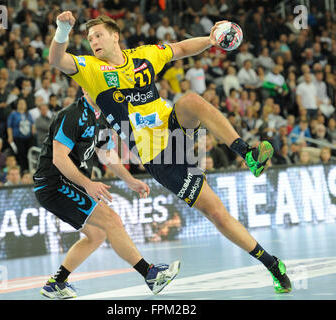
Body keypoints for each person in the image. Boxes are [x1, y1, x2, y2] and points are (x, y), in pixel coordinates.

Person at [49, 12, 291, 293]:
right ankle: (273, 265)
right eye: (90, 39)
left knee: (190, 99)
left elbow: (180, 49)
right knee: (218, 215)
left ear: (115, 36)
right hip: (161, 157)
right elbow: (56, 60)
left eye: (99, 35)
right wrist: (63, 30)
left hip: (173, 127)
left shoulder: (143, 56)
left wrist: (211, 40)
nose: (94, 42)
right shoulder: (91, 69)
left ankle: (247, 153)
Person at [33, 89, 179, 299]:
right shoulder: (72, 114)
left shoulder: (103, 118)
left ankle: (56, 283)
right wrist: (87, 183)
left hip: (68, 183)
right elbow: (59, 158)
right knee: (112, 220)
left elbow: (106, 153)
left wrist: (130, 181)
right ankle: (151, 274)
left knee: (97, 234)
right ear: (85, 87)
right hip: (53, 183)